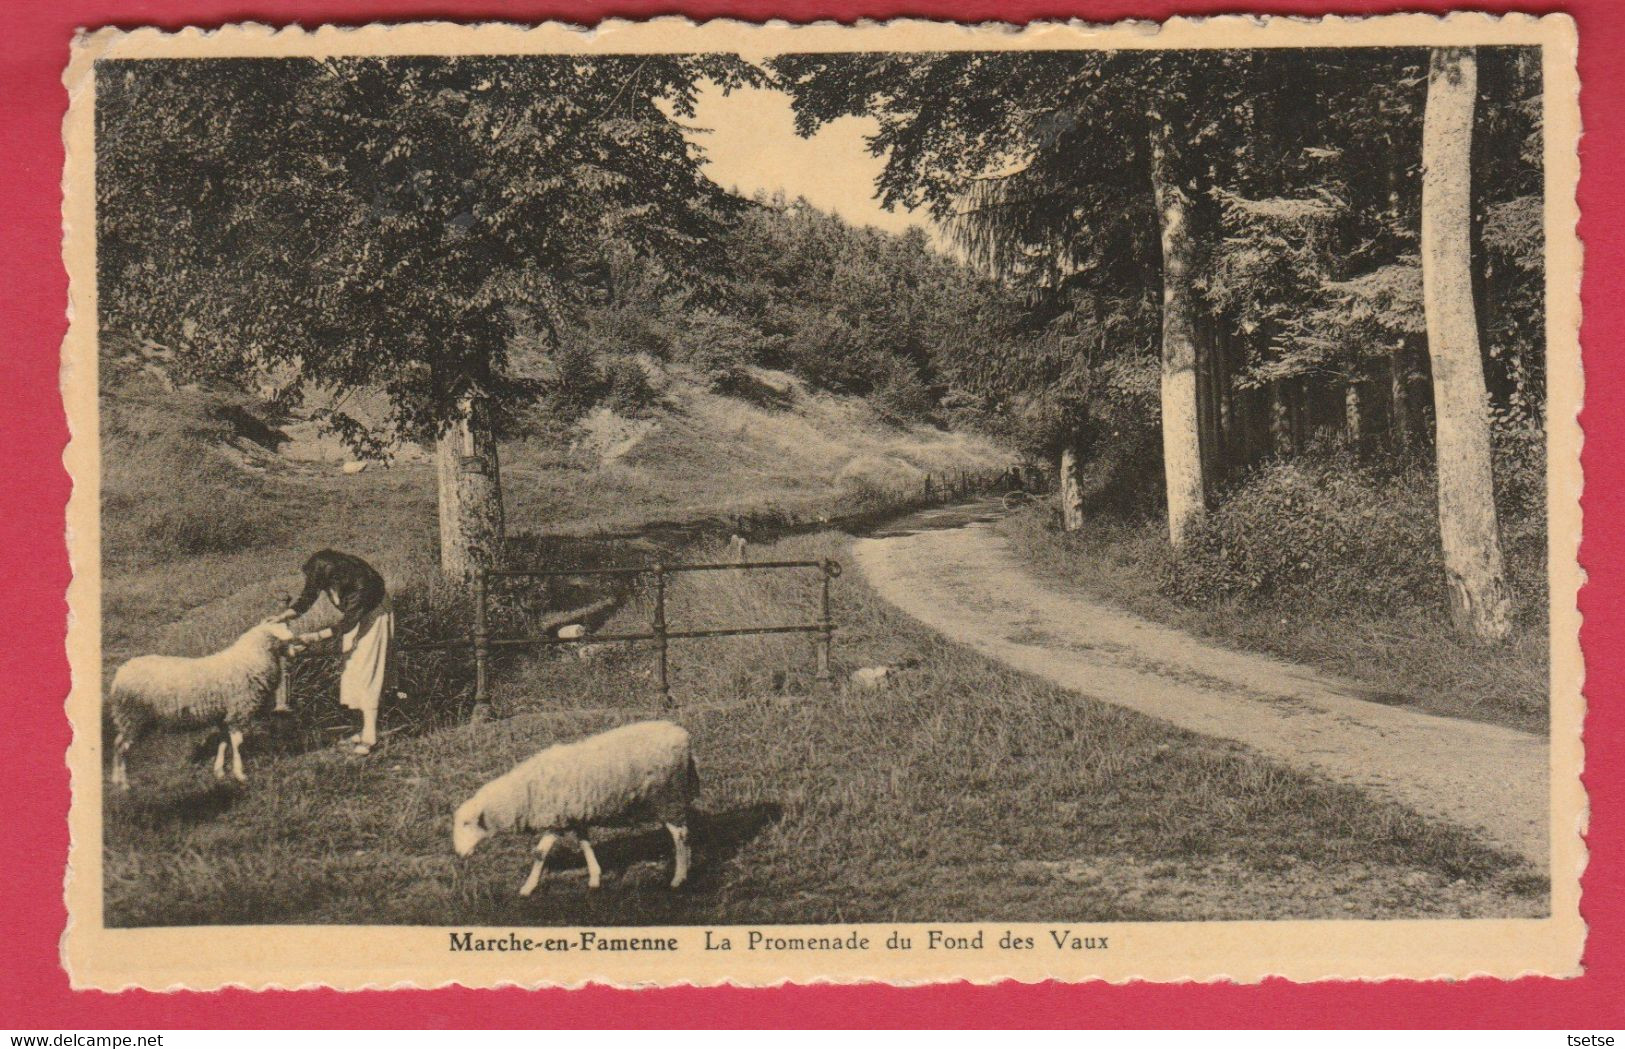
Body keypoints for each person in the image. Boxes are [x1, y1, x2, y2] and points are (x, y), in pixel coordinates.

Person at [270, 550, 392, 755]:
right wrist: (283, 616)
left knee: (367, 670)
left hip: (374, 616)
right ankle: (362, 730)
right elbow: (308, 597)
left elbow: (347, 623)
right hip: (355, 618)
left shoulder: (360, 584)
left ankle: (370, 738)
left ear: (336, 575)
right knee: (351, 670)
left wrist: (313, 637)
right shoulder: (324, 574)